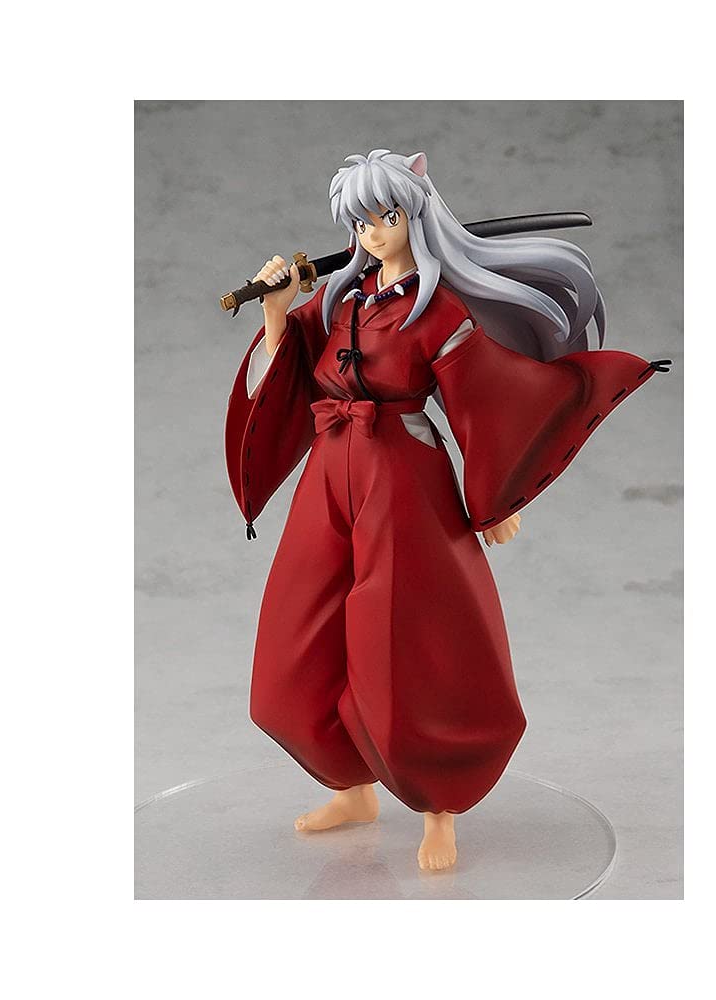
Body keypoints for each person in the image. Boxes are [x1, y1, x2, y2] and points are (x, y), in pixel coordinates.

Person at [225, 149, 665, 870]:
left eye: (386, 217)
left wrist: (495, 495)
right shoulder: (338, 301)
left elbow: (482, 399)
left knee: (405, 641)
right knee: (298, 635)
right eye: (360, 222)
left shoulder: (440, 313)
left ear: (416, 216)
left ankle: (439, 805)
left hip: (401, 475)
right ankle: (351, 784)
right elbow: (291, 380)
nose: (371, 234)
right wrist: (278, 311)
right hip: (328, 472)